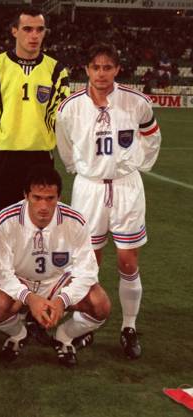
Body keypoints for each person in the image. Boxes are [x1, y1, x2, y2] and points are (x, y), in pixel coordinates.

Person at [0, 6, 70, 342]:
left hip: (40, 161)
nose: (34, 35)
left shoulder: (57, 72)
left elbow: (63, 120)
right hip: (1, 164)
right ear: (14, 31)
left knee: (40, 235)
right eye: (27, 29)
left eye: (39, 30)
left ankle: (38, 311)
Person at [56, 43, 161, 359]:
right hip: (89, 189)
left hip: (127, 189)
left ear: (117, 69)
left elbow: (151, 137)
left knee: (128, 261)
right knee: (89, 263)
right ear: (87, 70)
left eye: (108, 67)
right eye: (95, 67)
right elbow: (65, 147)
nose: (101, 73)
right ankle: (87, 324)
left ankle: (128, 326)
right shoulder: (70, 108)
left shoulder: (137, 103)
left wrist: (137, 166)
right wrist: (81, 171)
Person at [0, 165, 111, 367]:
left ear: (59, 197)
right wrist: (30, 299)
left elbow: (87, 272)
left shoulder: (75, 221)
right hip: (22, 280)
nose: (43, 206)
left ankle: (64, 337)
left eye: (50, 198)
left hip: (58, 281)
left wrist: (62, 301)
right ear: (25, 195)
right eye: (37, 197)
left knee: (100, 304)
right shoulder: (5, 220)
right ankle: (20, 334)